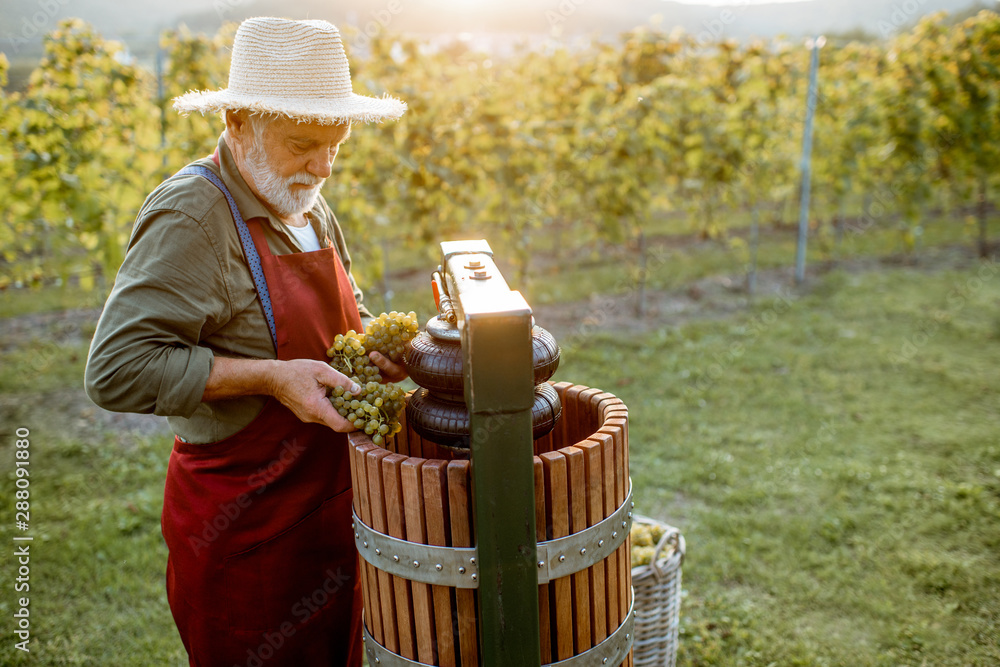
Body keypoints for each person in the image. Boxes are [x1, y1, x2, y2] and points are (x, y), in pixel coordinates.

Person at [84, 17, 406, 666]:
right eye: (302, 143)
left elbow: (347, 318)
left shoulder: (305, 200)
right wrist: (270, 377)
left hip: (332, 520)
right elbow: (116, 369)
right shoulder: (194, 214)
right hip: (248, 536)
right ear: (237, 122)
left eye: (335, 145)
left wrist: (375, 348)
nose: (323, 165)